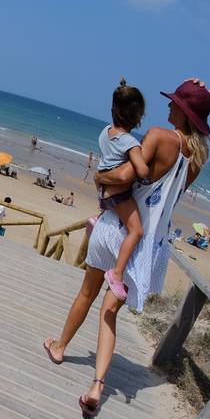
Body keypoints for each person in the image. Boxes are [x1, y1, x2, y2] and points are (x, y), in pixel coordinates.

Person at [44, 78, 210, 418]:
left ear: (182, 111)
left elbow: (125, 177)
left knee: (86, 293)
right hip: (145, 246)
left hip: (115, 229)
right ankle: (97, 386)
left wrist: (97, 178)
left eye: (174, 103)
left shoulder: (157, 136)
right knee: (109, 312)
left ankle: (60, 347)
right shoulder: (196, 160)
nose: (167, 106)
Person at [84, 79, 149, 301]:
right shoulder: (130, 142)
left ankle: (97, 218)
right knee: (136, 231)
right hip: (119, 194)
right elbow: (141, 170)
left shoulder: (105, 132)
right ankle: (117, 273)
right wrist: (145, 158)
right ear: (138, 116)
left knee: (116, 216)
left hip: (104, 191)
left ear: (113, 109)